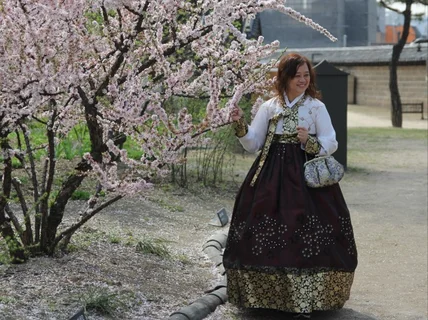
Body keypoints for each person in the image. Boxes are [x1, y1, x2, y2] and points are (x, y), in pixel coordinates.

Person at [223, 53, 358, 319]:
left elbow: (332, 143)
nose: (303, 80)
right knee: (263, 229)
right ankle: (263, 295)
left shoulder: (315, 107)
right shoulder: (269, 107)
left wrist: (309, 141)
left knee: (307, 230)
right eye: (298, 76)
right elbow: (253, 143)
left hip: (307, 179)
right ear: (284, 78)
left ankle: (307, 297)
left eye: (306, 75)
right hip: (269, 178)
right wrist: (239, 123)